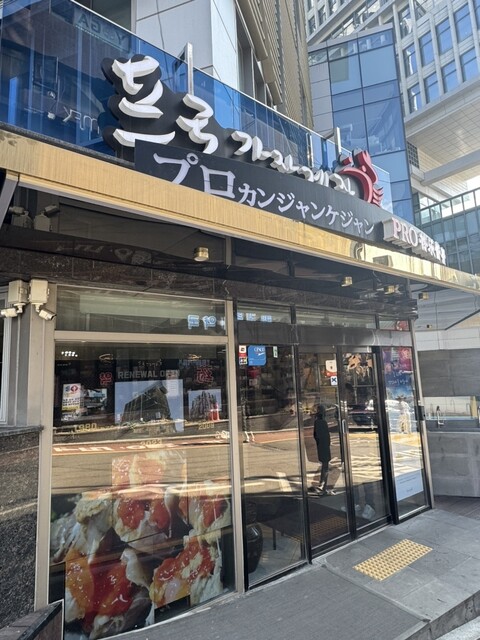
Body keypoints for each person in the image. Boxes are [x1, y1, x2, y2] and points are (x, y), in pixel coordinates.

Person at [312, 405, 335, 495]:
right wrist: (327, 443)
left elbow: (315, 435)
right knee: (325, 467)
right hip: (324, 446)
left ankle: (322, 484)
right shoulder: (323, 422)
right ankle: (323, 487)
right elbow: (326, 436)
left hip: (321, 446)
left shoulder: (317, 422)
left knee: (324, 466)